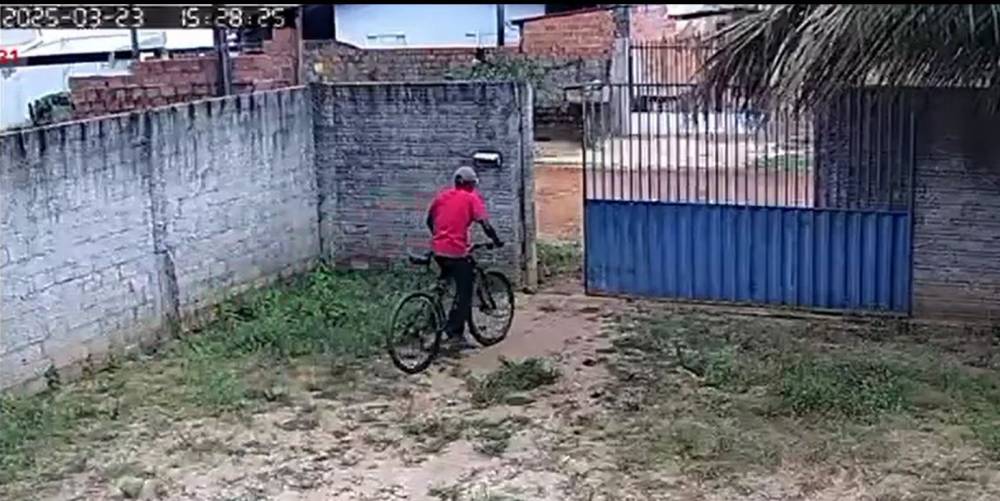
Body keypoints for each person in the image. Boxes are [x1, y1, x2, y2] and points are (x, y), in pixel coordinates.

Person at [426, 166, 504, 349]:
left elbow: (429, 221)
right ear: (471, 185)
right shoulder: (471, 198)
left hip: (438, 250)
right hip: (456, 251)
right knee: (465, 292)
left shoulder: (442, 196)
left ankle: (438, 324)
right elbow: (485, 224)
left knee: (445, 284)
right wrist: (496, 240)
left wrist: (440, 237)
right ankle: (451, 332)